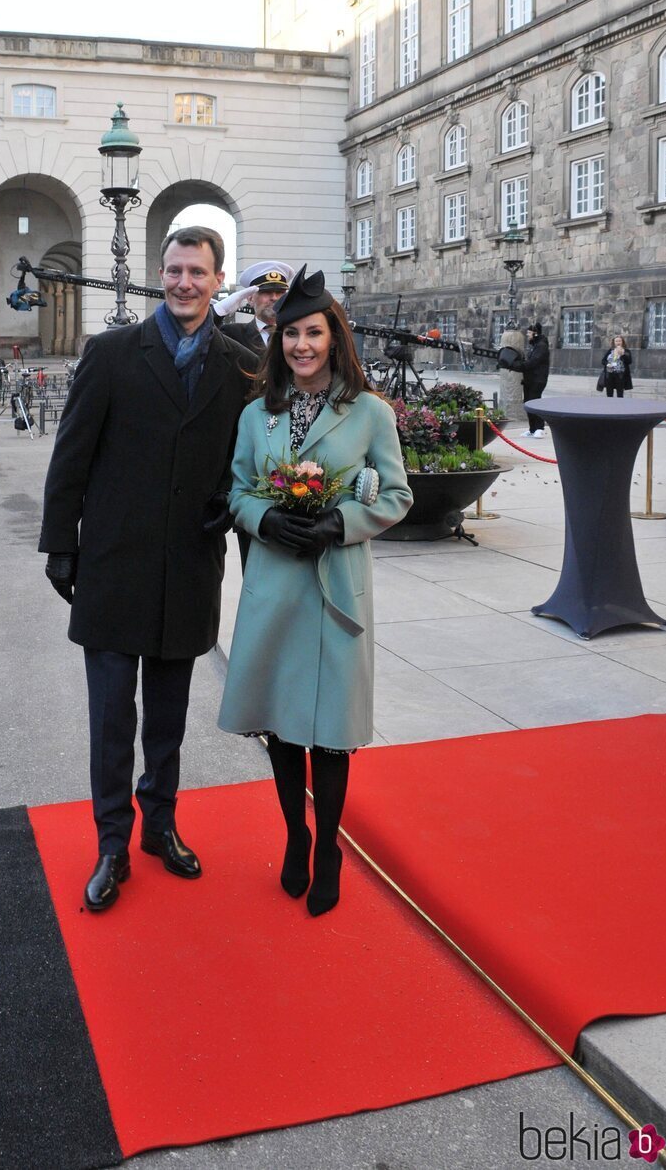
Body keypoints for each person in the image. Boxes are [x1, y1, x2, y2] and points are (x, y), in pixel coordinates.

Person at [38, 226, 257, 913]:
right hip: (113, 563)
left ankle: (160, 825)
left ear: (219, 281)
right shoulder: (110, 354)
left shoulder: (241, 363)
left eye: (197, 271)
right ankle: (112, 843)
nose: (184, 282)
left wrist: (232, 513)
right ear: (157, 276)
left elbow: (245, 462)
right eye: (173, 270)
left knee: (166, 716)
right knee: (111, 717)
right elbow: (71, 456)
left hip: (189, 563)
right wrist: (60, 544)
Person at [218, 266, 413, 916]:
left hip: (334, 590)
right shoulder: (257, 415)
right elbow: (239, 489)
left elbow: (396, 494)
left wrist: (341, 522)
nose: (301, 344)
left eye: (313, 332)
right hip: (275, 586)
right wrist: (264, 518)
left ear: (334, 338)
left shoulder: (370, 413)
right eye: (290, 333)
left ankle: (329, 843)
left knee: (329, 732)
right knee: (282, 728)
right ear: (278, 341)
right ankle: (296, 835)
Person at [216, 261, 294, 354]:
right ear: (250, 299)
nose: (274, 297)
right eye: (267, 292)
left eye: (280, 292)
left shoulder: (296, 333)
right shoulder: (232, 334)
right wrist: (217, 312)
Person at [519, 322, 550, 437]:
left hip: (538, 380)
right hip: (530, 379)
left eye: (529, 333)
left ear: (535, 333)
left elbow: (533, 362)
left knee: (534, 402)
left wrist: (520, 365)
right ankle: (532, 429)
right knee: (528, 403)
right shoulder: (535, 346)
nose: (528, 335)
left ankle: (540, 428)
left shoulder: (541, 346)